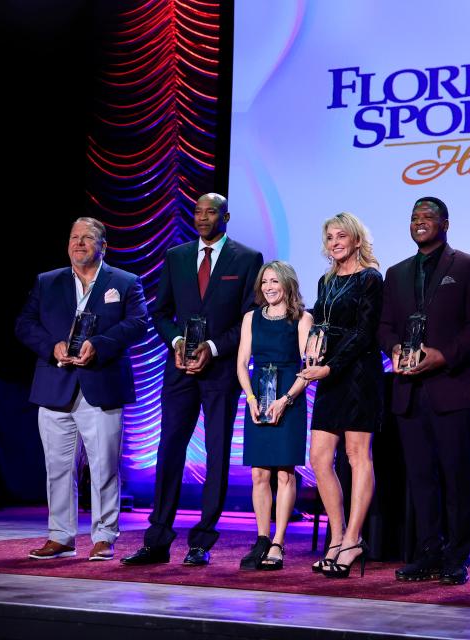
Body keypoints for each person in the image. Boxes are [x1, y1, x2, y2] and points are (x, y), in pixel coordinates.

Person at [122, 193, 264, 567]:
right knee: (169, 449)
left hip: (220, 370)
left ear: (226, 216)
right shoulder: (177, 256)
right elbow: (161, 312)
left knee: (217, 452)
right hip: (179, 369)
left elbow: (249, 318)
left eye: (211, 211)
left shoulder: (247, 259)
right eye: (198, 212)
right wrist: (178, 341)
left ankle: (201, 541)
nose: (202, 217)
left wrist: (213, 348)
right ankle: (157, 539)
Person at [16, 217, 147, 561]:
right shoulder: (47, 281)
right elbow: (24, 324)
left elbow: (138, 323)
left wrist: (100, 344)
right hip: (54, 386)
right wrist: (51, 346)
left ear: (104, 245)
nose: (79, 243)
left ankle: (104, 536)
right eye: (74, 237)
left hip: (101, 385)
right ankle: (61, 536)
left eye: (87, 238)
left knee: (104, 466)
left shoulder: (126, 282)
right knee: (57, 467)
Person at [377, 197, 470, 586]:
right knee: (421, 477)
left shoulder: (467, 266)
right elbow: (385, 325)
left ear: (445, 223)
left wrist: (444, 356)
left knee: (457, 475)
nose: (420, 222)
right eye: (414, 217)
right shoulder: (395, 273)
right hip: (409, 391)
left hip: (453, 386)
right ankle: (427, 551)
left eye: (428, 217)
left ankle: (456, 556)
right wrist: (393, 348)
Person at [300, 212, 383, 579]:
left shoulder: (371, 279)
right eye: (329, 237)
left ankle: (353, 539)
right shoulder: (326, 280)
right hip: (329, 375)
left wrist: (330, 366)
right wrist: (313, 348)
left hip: (359, 375)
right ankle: (336, 538)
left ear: (356, 240)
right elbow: (321, 323)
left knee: (356, 455)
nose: (334, 242)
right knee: (319, 459)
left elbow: (365, 333)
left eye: (341, 236)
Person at [236, 261, 313, 571]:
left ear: (287, 285)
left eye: (274, 282)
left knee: (284, 473)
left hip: (289, 397)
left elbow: (307, 369)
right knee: (259, 474)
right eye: (265, 281)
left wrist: (285, 399)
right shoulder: (251, 318)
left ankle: (279, 542)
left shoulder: (301, 319)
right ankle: (262, 539)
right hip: (259, 396)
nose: (268, 287)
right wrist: (252, 399)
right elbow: (242, 364)